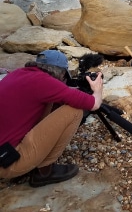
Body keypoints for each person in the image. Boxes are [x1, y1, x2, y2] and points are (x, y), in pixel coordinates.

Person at [0, 50, 104, 187]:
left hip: (4, 151)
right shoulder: (44, 83)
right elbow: (94, 104)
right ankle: (44, 171)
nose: (64, 80)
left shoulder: (17, 74)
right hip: (7, 162)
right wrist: (98, 89)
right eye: (64, 77)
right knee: (74, 111)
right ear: (60, 73)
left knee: (51, 102)